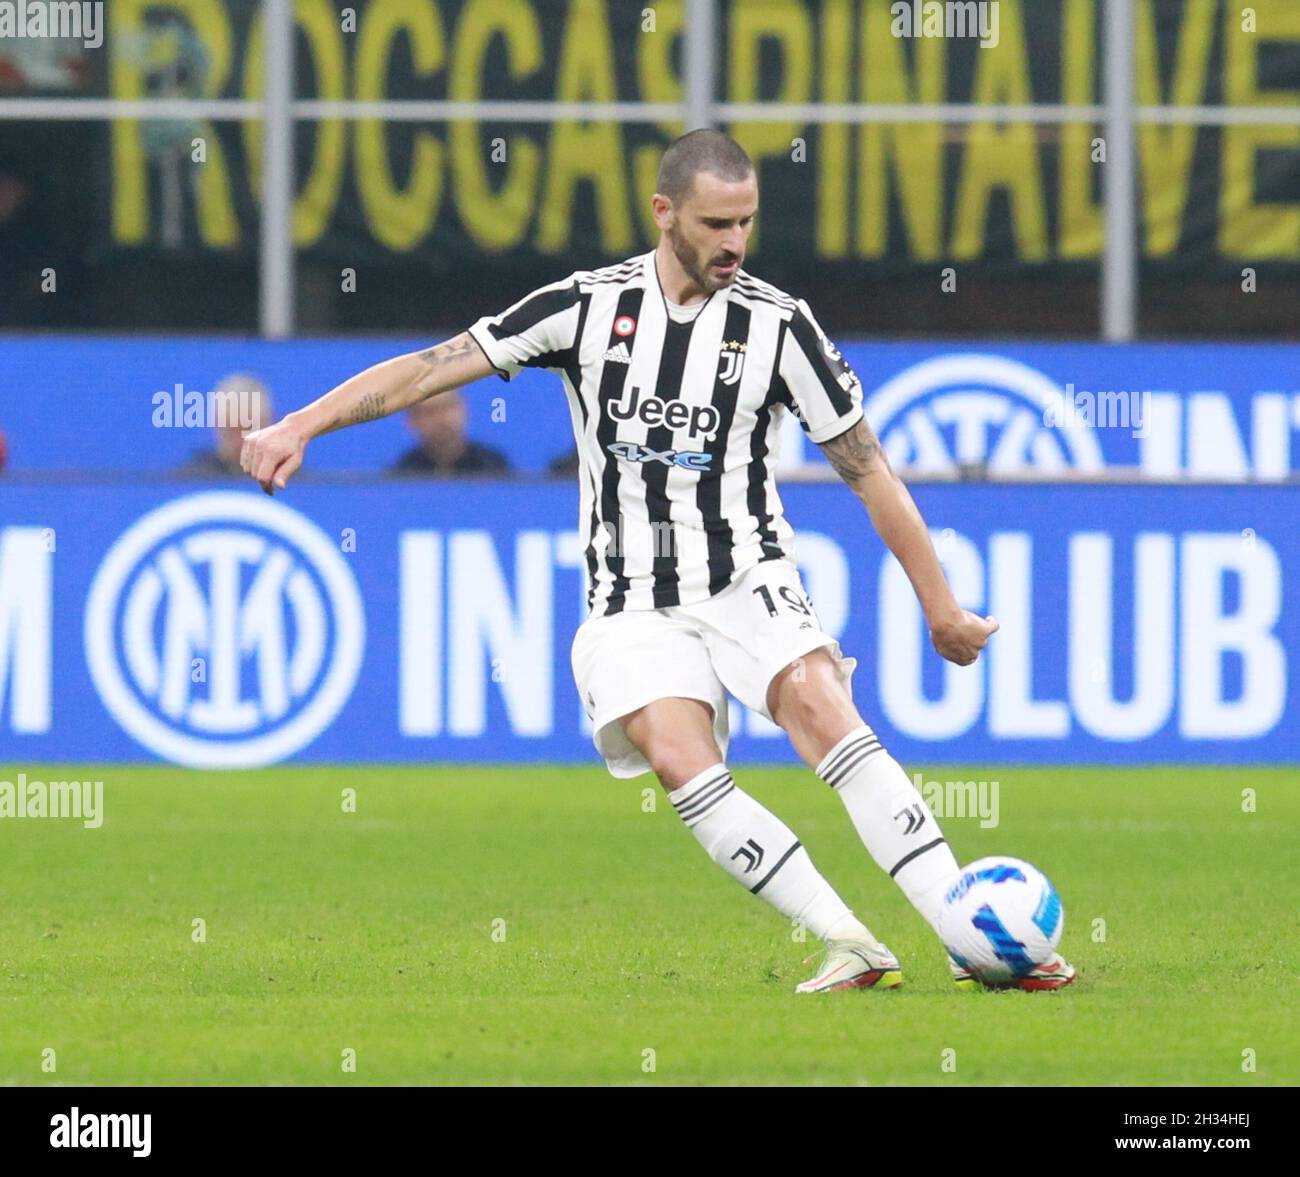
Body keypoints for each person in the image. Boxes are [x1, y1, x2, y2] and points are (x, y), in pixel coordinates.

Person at [239, 129, 1075, 994]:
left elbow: (869, 470)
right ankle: (851, 941)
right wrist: (299, 424)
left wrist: (940, 606)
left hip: (749, 574)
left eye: (747, 222)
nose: (733, 243)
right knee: (678, 754)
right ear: (665, 213)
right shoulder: (584, 307)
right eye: (716, 223)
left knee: (822, 706)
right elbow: (430, 369)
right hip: (630, 600)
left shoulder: (777, 325)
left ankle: (966, 930)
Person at [389, 389, 509, 476]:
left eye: (447, 408)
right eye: (430, 412)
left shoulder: (492, 466)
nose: (441, 419)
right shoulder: (404, 473)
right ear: (412, 420)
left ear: (463, 410)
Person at [176, 375, 274, 477]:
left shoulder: (287, 479)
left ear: (267, 425)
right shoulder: (191, 481)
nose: (240, 441)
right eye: (231, 432)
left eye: (248, 430)